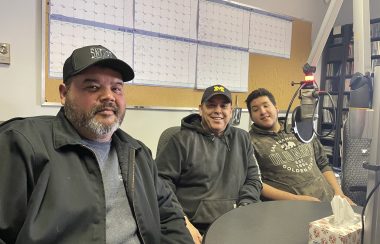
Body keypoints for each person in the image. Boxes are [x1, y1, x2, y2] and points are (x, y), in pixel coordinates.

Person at [0, 45, 193, 244]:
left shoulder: (138, 153)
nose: (109, 96)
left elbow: (169, 218)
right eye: (92, 86)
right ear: (64, 94)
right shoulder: (21, 143)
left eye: (116, 88)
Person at [156, 84, 263, 242]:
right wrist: (181, 221)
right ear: (201, 109)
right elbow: (161, 184)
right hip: (193, 224)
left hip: (235, 218)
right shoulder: (180, 140)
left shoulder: (242, 138)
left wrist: (244, 208)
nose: (218, 111)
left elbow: (253, 179)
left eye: (223, 106)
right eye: (211, 105)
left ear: (231, 111)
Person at [245, 88, 354, 204]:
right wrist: (296, 199)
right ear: (251, 117)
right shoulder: (248, 142)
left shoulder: (301, 130)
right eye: (255, 109)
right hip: (291, 208)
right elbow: (254, 181)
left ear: (276, 109)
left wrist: (339, 194)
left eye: (266, 106)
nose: (262, 111)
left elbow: (323, 164)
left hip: (329, 201)